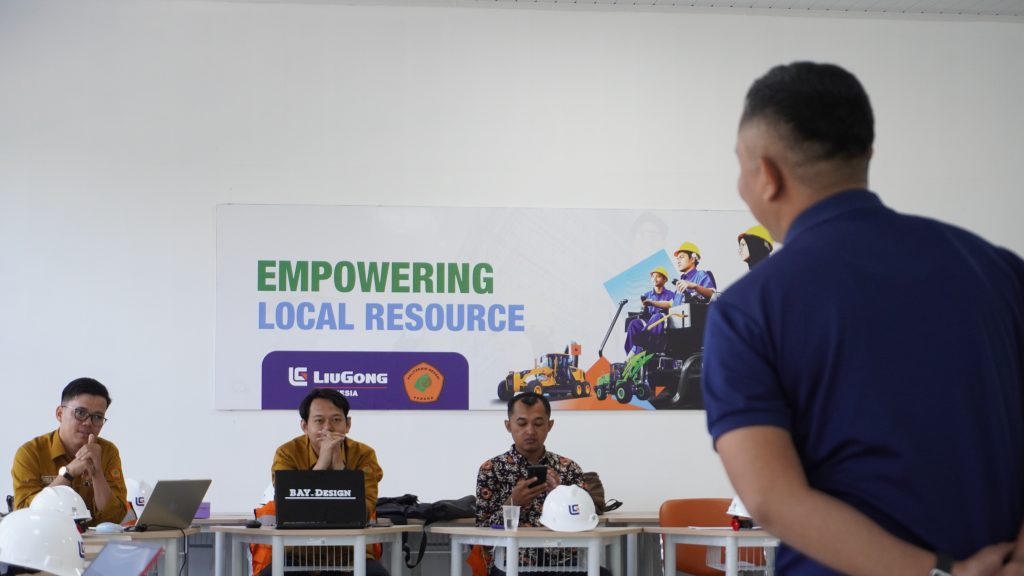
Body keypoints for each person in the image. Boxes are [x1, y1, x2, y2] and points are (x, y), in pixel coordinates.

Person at [702, 61, 1024, 576]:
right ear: (866, 153)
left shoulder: (747, 311)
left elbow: (770, 497)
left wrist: (943, 574)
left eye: (740, 166)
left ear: (767, 175)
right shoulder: (998, 270)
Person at [475, 392, 610, 576]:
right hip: (512, 563)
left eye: (538, 424)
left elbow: (586, 521)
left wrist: (561, 494)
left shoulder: (568, 468)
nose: (530, 431)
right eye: (522, 423)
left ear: (550, 425)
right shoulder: (491, 469)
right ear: (508, 425)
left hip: (565, 562)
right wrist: (512, 504)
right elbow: (482, 531)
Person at [261, 388, 388, 576]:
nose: (328, 428)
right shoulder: (287, 453)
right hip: (299, 553)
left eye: (336, 420)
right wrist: (322, 462)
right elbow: (293, 508)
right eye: (319, 421)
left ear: (348, 424)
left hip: (350, 554)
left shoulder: (364, 455)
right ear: (305, 426)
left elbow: (364, 510)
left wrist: (339, 467)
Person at [11, 377, 127, 527]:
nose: (88, 422)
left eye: (97, 417)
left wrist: (97, 473)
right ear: (60, 414)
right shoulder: (30, 453)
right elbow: (25, 514)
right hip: (47, 537)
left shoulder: (108, 452)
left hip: (94, 540)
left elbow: (114, 519)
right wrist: (68, 473)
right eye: (80, 412)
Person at [623, 266, 676, 354]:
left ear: (665, 279)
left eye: (658, 276)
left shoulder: (671, 295)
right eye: (653, 276)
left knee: (657, 316)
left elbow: (672, 308)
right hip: (649, 322)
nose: (654, 279)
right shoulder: (647, 295)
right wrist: (644, 307)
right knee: (634, 323)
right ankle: (630, 355)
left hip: (664, 323)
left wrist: (652, 303)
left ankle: (637, 350)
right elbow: (645, 314)